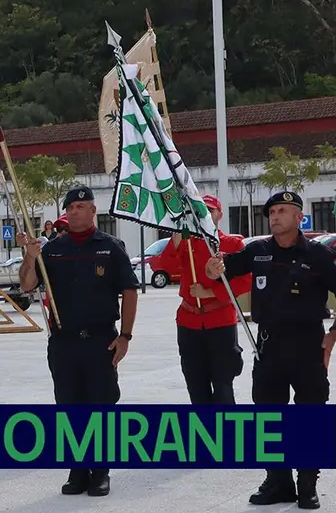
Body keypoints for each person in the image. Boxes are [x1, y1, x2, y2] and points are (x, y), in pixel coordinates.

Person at [206, 190, 336, 510]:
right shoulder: (258, 250)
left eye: (282, 210)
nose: (274, 216)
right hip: (268, 346)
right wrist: (213, 267)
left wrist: (333, 335)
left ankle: (307, 484)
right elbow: (221, 271)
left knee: (309, 417)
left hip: (308, 346)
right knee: (268, 418)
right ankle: (278, 482)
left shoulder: (318, 254)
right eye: (272, 212)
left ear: (298, 216)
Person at [18, 185, 138, 497]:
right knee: (69, 406)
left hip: (100, 341)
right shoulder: (54, 248)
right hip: (64, 342)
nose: (74, 212)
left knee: (101, 405)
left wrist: (125, 336)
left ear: (93, 211)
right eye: (70, 207)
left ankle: (100, 472)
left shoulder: (111, 247)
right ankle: (77, 471)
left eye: (81, 207)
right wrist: (30, 257)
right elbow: (28, 284)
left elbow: (128, 291)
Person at [154, 195, 249, 405]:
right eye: (199, 211)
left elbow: (245, 282)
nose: (203, 215)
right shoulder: (188, 243)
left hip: (220, 321)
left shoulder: (232, 245)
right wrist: (176, 240)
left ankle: (227, 435)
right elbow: (165, 267)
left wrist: (211, 293)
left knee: (223, 387)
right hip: (189, 322)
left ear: (219, 215)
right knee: (196, 386)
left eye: (209, 210)